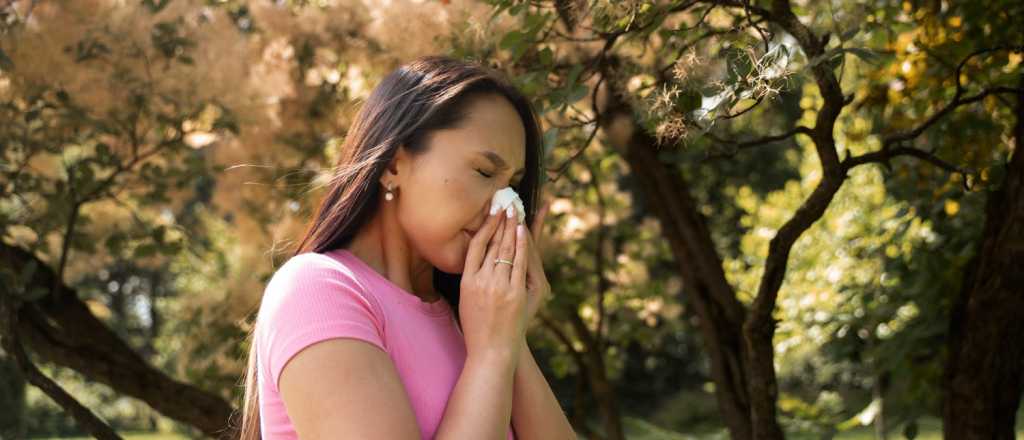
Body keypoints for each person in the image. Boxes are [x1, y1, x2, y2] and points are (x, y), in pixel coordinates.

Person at [235, 55, 576, 439]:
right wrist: (492, 354)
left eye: (512, 185)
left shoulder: (471, 322)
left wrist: (510, 338)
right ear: (394, 165)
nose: (505, 208)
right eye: (484, 172)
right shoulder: (318, 291)